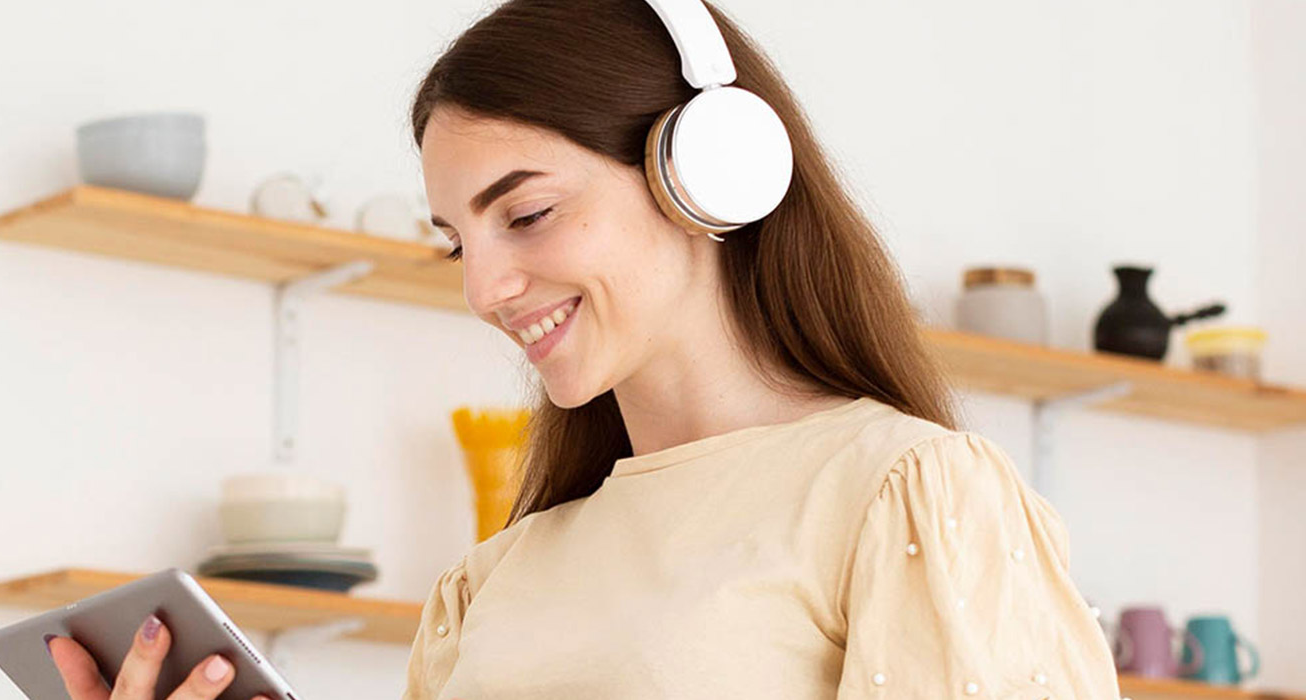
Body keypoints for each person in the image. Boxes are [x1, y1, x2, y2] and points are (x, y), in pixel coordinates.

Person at [403, 0, 1119, 698]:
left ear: (705, 172)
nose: (484, 290)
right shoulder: (493, 580)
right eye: (457, 245)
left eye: (528, 215)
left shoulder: (900, 491)